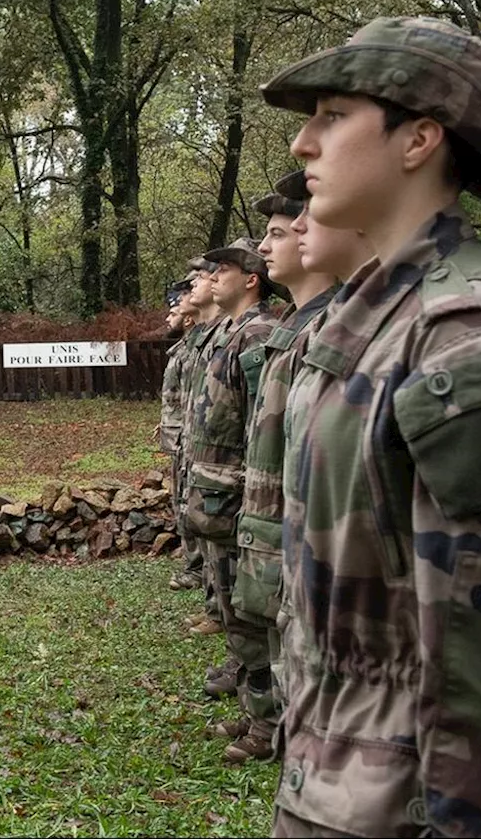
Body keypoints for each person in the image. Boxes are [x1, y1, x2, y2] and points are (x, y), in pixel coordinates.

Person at [259, 16, 481, 836]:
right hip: (336, 780)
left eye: (334, 115)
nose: (303, 144)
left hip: (403, 804)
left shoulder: (463, 333)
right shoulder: (378, 316)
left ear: (420, 139)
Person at [224, 171, 346, 764]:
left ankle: (288, 737)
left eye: (281, 230)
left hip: (305, 541)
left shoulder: (333, 327)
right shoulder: (295, 328)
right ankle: (277, 729)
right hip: (270, 522)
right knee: (274, 643)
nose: (273, 241)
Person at [184, 236, 282, 759]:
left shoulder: (259, 334)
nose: (213, 275)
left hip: (241, 498)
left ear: (252, 279)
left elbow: (262, 427)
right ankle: (254, 713)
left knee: (251, 617)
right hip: (216, 496)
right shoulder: (231, 332)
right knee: (235, 614)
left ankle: (268, 725)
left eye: (225, 268)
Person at [177, 257, 229, 639]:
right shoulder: (211, 334)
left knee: (223, 542)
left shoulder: (247, 333)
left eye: (208, 274)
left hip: (226, 461)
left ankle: (224, 614)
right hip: (201, 450)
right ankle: (216, 606)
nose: (195, 284)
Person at [156, 280, 199, 591]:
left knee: (190, 504)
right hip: (180, 439)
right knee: (181, 503)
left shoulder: (192, 351)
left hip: (191, 441)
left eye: (175, 308)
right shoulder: (182, 350)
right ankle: (194, 566)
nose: (168, 315)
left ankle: (197, 569)